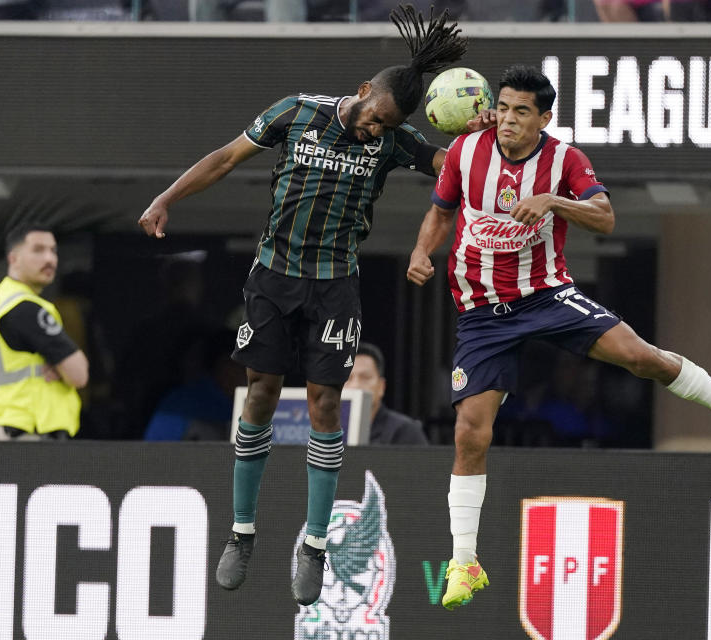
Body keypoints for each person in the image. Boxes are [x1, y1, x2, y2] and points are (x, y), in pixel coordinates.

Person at [406, 64, 711, 610]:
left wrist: (554, 202)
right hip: (482, 312)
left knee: (640, 357)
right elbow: (441, 214)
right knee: (471, 431)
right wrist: (423, 252)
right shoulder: (469, 151)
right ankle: (465, 561)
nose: (510, 121)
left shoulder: (566, 159)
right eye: (505, 108)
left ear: (545, 118)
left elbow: (606, 218)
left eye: (523, 112)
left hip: (546, 295)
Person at [137, 4, 468, 606]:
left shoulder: (396, 142)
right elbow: (224, 158)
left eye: (384, 129)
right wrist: (166, 197)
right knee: (260, 392)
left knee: (323, 405)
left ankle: (314, 543)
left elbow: (454, 173)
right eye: (374, 119)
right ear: (363, 91)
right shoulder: (297, 112)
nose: (374, 132)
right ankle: (241, 534)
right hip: (273, 278)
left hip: (335, 285)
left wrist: (481, 141)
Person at [0, 226, 88, 441]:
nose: (50, 259)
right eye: (38, 250)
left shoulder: (4, 299)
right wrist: (61, 368)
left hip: (7, 432)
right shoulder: (25, 308)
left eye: (53, 251)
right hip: (23, 437)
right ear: (13, 259)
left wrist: (58, 366)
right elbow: (78, 374)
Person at [343, 342, 429, 445]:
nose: (356, 385)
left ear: (381, 387)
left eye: (365, 378)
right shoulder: (325, 430)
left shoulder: (405, 431)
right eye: (347, 378)